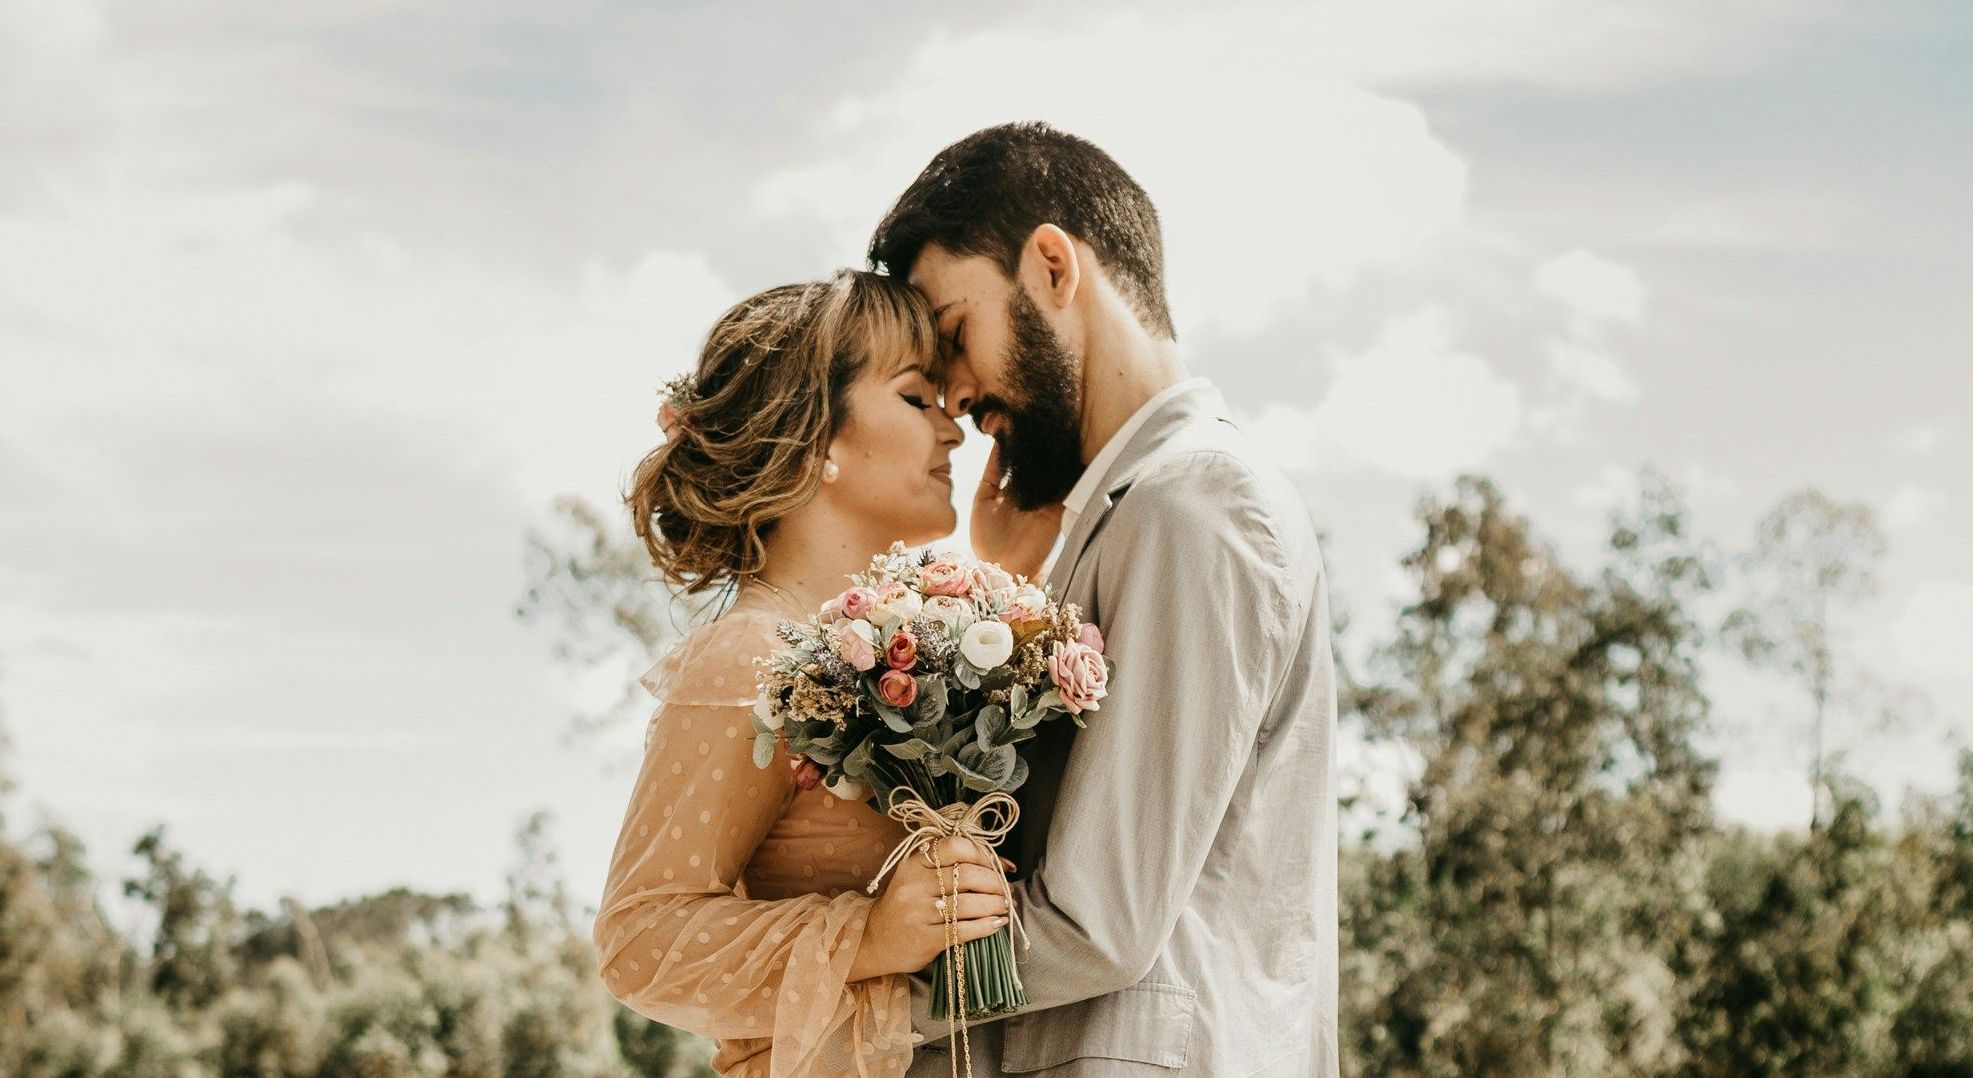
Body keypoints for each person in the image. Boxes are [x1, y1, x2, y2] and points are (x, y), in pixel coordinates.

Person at [867, 121, 1339, 1077]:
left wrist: (855, 1001)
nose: (952, 395)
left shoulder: (1196, 503)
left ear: (1051, 266)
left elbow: (1098, 921)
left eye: (955, 334)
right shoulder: (1132, 515)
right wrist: (1010, 583)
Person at [593, 269, 1015, 1077]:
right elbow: (638, 940)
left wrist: (1011, 576)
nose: (955, 432)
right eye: (916, 397)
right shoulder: (746, 657)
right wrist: (871, 934)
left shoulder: (901, 649)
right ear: (815, 439)